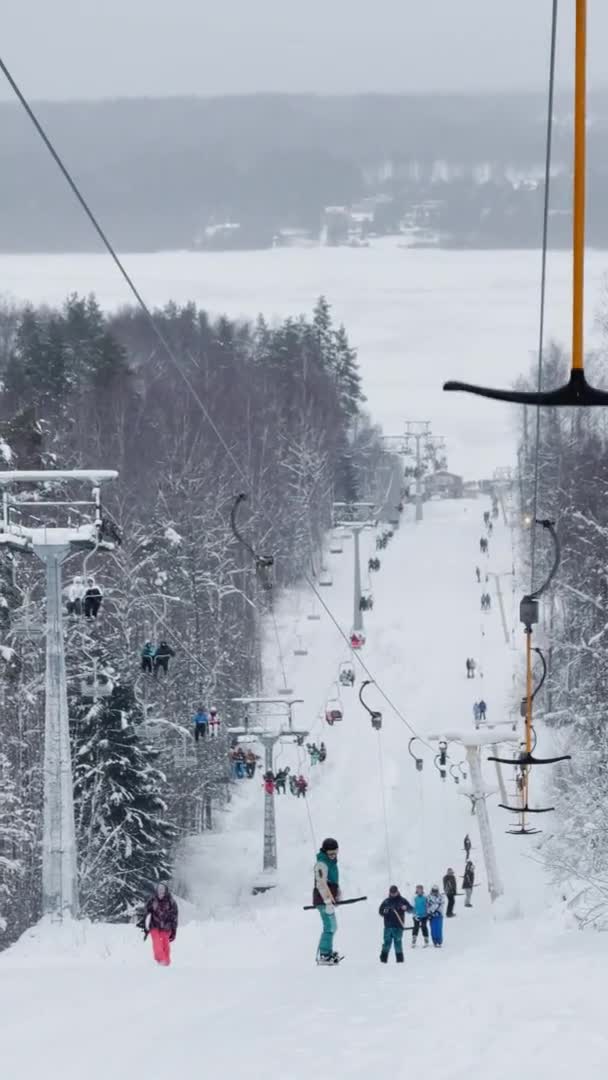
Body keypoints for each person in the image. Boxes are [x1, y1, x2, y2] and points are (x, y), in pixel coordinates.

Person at [313, 838, 341, 964]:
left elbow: (333, 881)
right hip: (323, 900)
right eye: (330, 854)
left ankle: (327, 951)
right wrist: (328, 901)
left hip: (328, 900)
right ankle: (324, 955)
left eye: (335, 853)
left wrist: (338, 894)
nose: (333, 856)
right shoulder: (321, 864)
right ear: (325, 852)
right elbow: (321, 884)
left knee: (333, 927)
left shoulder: (331, 862)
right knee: (329, 927)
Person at [143, 882, 178, 966]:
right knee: (157, 942)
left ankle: (166, 962)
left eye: (162, 890)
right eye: (159, 890)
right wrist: (145, 925)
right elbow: (146, 912)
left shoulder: (171, 902)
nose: (161, 892)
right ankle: (161, 960)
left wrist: (174, 931)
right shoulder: (152, 900)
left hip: (166, 926)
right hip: (154, 925)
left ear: (166, 891)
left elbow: (175, 917)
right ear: (156, 890)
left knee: (165, 943)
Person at [378, 885, 412, 963]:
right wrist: (384, 911)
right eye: (391, 893)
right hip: (388, 926)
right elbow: (380, 911)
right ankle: (383, 960)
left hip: (398, 926)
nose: (393, 894)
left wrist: (406, 907)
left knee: (398, 943)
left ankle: (400, 961)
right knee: (387, 943)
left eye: (394, 892)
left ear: (397, 892)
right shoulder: (386, 901)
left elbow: (411, 909)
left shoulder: (402, 900)